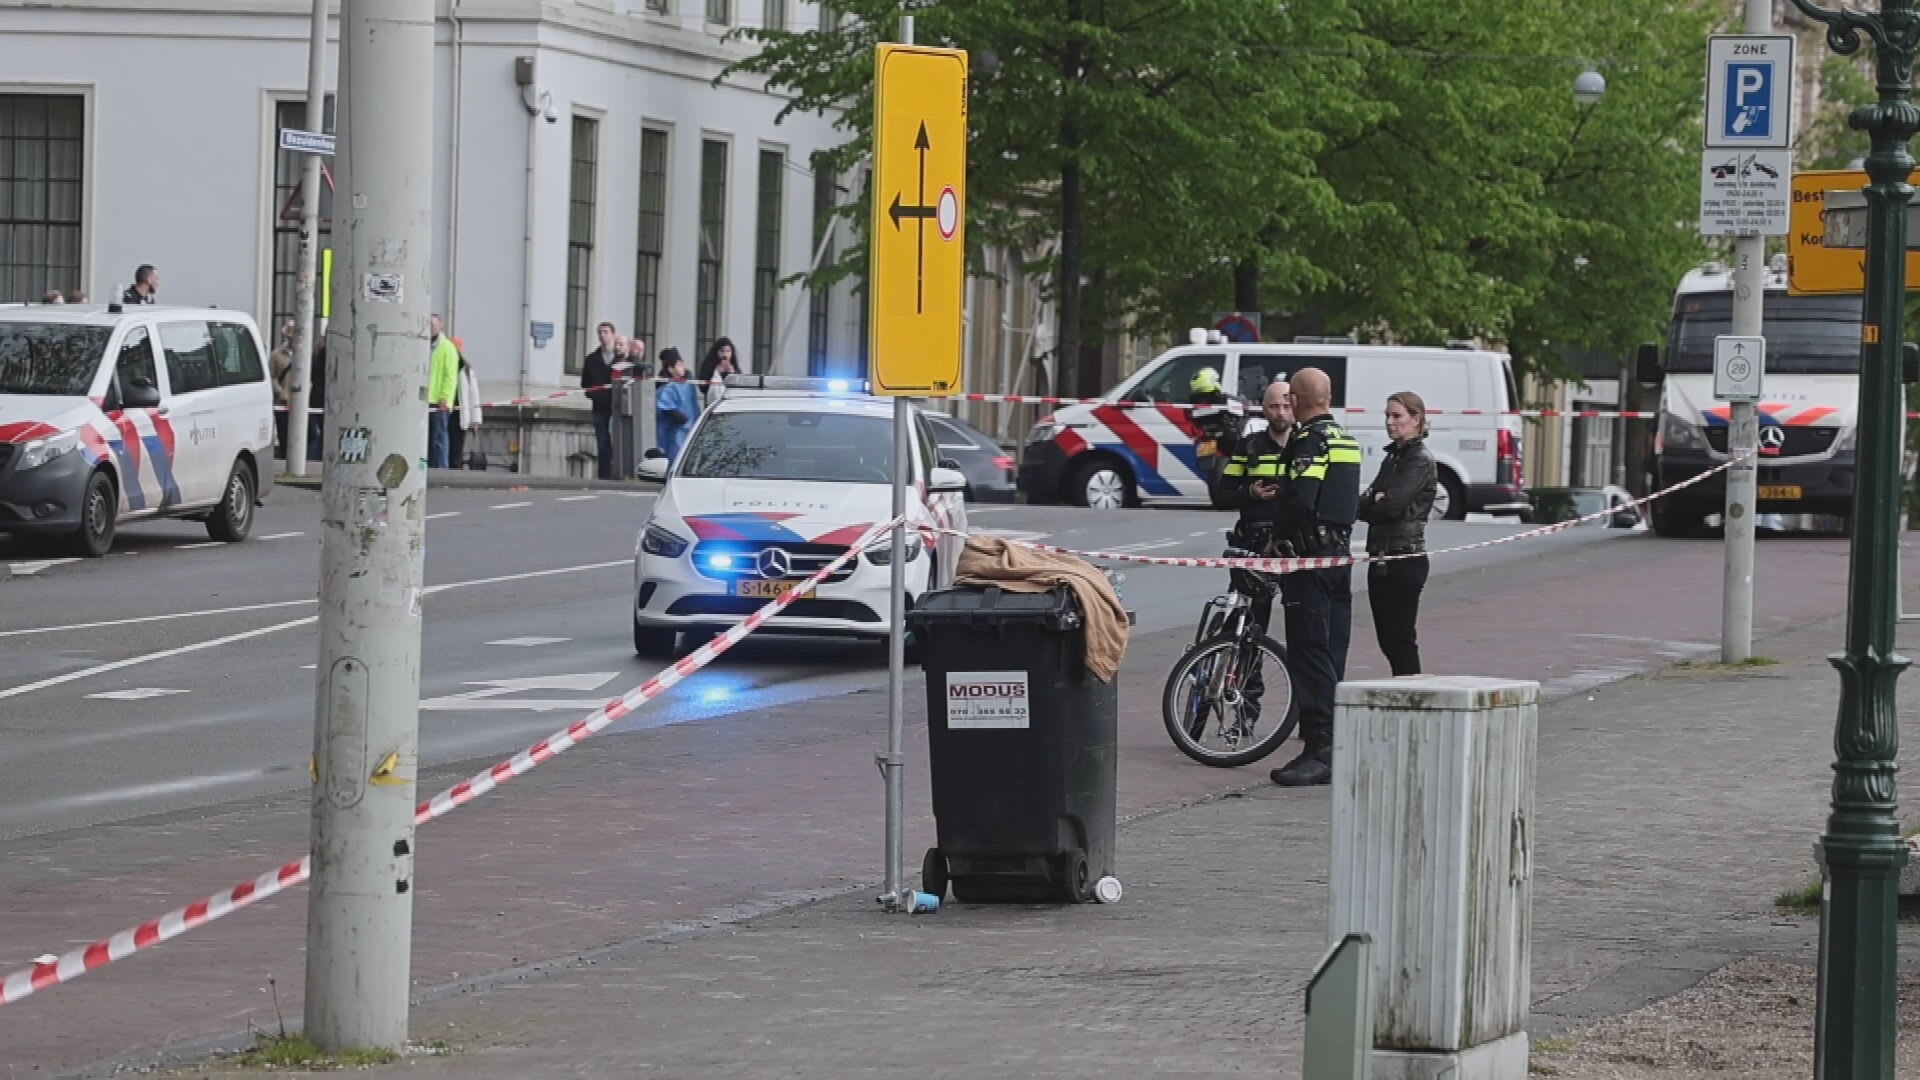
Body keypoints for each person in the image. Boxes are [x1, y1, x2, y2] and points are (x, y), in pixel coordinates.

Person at [1266, 367, 1362, 788]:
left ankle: (1319, 752)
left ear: (1297, 402)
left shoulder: (1310, 441)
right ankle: (1334, 744)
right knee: (1332, 650)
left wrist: (1275, 536)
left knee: (1309, 652)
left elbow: (1302, 498)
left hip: (1309, 559)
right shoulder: (1346, 438)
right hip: (1339, 557)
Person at [1359, 392, 1438, 677]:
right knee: (1388, 638)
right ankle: (1405, 686)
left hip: (1405, 555)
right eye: (1387, 416)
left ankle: (1412, 692)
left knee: (1400, 637)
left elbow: (1392, 506)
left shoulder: (1419, 459)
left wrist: (1378, 501)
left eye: (1397, 416)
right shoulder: (1393, 456)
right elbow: (1367, 501)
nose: (1390, 423)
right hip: (1381, 555)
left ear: (1416, 420)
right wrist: (1374, 500)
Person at [582, 322, 618, 480]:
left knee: (618, 441)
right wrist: (594, 395)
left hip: (618, 407)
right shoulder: (591, 360)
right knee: (602, 442)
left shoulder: (620, 359)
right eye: (600, 332)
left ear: (613, 334)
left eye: (605, 332)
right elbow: (585, 384)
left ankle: (618, 473)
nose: (602, 335)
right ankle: (604, 476)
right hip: (599, 407)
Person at [656, 348, 700, 463]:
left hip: (688, 430)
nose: (683, 367)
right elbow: (665, 406)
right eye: (679, 364)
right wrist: (678, 416)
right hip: (674, 433)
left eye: (682, 364)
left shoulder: (688, 385)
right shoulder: (667, 388)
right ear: (671, 369)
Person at [427, 315, 459, 469]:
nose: (430, 328)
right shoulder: (424, 345)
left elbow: (450, 376)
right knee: (425, 438)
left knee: (438, 439)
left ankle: (441, 469)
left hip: (438, 401)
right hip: (425, 400)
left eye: (433, 325)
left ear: (440, 326)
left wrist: (445, 398)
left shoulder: (447, 347)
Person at [449, 341, 484, 470]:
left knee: (456, 446)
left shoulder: (466, 370)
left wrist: (476, 420)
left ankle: (454, 467)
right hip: (448, 410)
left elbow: (473, 395)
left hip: (460, 414)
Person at [697, 337, 739, 407]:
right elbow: (702, 387)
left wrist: (733, 374)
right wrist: (717, 373)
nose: (725, 354)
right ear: (716, 352)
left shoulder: (734, 366)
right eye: (722, 351)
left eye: (728, 351)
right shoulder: (709, 365)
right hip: (713, 406)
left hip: (730, 406)